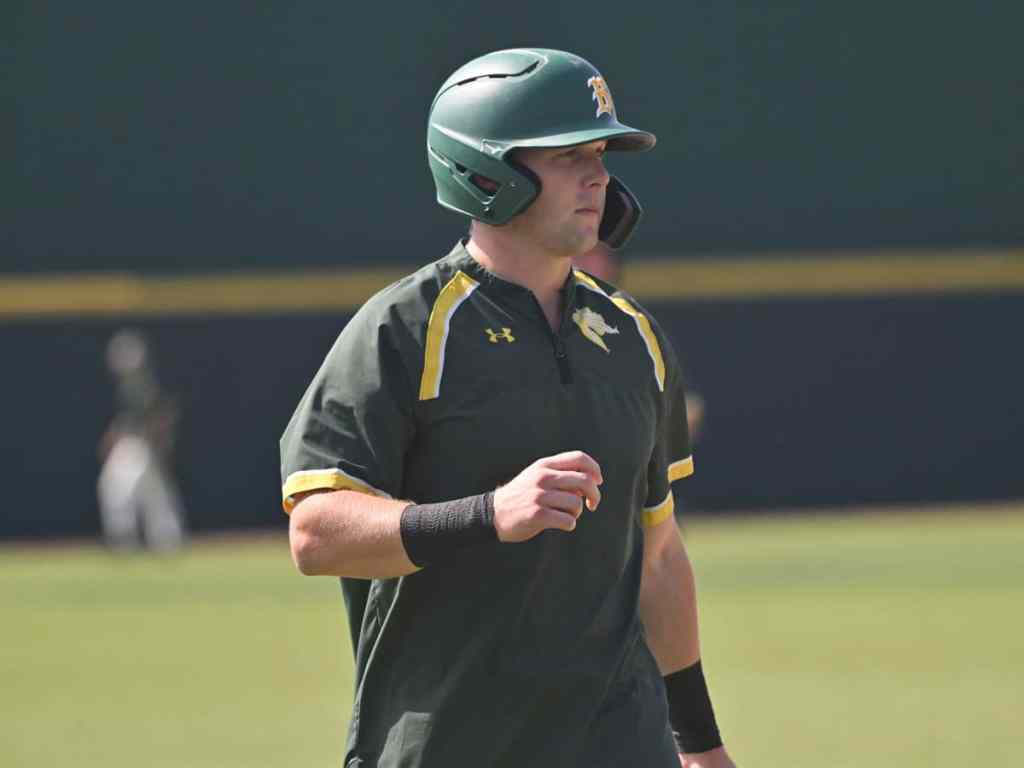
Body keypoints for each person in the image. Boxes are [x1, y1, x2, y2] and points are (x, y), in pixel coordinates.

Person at [280, 48, 737, 768]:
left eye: (601, 154)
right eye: (567, 154)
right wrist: (488, 514)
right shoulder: (404, 328)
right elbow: (316, 533)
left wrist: (701, 745)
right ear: (485, 169)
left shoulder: (635, 336)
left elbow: (659, 555)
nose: (598, 176)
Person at [572, 241, 707, 444]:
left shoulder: (638, 328)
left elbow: (689, 410)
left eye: (594, 255)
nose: (582, 263)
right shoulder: (536, 322)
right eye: (578, 254)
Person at [98, 329, 187, 551]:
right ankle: (166, 539)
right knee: (154, 493)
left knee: (119, 490)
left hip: (137, 446)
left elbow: (161, 415)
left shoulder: (141, 385)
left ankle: (129, 538)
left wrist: (158, 440)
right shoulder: (132, 385)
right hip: (137, 445)